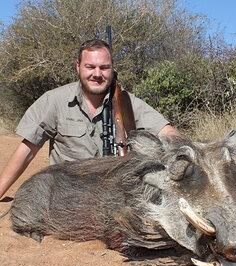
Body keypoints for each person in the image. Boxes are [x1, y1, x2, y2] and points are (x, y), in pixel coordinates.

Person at [0, 39, 180, 200]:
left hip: (115, 197)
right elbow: (27, 150)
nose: (97, 74)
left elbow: (169, 133)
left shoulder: (127, 103)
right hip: (66, 197)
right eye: (90, 67)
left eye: (104, 67)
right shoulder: (54, 100)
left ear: (112, 68)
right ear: (78, 66)